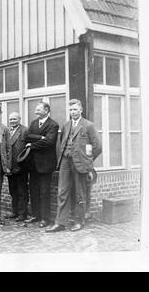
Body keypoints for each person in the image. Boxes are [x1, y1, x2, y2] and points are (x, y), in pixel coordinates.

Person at [46, 99, 102, 232]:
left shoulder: (88, 125)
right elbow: (62, 142)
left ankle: (79, 221)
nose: (73, 112)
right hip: (65, 161)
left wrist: (87, 160)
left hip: (80, 164)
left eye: (75, 109)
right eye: (71, 110)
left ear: (81, 110)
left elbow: (97, 147)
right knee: (62, 192)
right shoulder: (66, 125)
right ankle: (61, 223)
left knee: (79, 194)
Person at [23, 101, 59, 228]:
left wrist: (33, 144)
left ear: (46, 110)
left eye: (39, 109)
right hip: (33, 165)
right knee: (33, 190)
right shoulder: (33, 123)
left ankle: (45, 218)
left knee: (44, 192)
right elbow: (27, 137)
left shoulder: (53, 125)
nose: (36, 110)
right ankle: (36, 215)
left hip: (45, 165)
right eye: (36, 109)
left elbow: (49, 142)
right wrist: (41, 138)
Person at [5, 112, 29, 222]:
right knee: (13, 190)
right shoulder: (7, 131)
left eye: (15, 119)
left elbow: (28, 149)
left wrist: (24, 163)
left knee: (22, 191)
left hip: (20, 166)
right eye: (11, 119)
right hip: (10, 166)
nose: (12, 121)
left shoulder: (24, 130)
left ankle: (22, 213)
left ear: (19, 119)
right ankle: (15, 212)